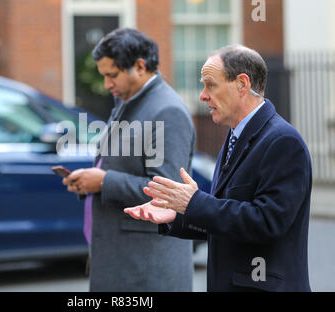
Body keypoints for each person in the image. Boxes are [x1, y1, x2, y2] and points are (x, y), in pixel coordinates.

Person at [125, 45, 312, 292]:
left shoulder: (283, 142)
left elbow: (268, 223)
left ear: (242, 85)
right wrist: (177, 215)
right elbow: (226, 219)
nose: (203, 95)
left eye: (210, 85)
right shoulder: (236, 135)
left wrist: (193, 203)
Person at [62, 28, 196, 291]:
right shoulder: (129, 100)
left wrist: (103, 182)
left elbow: (168, 193)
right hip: (125, 260)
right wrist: (90, 182)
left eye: (112, 75)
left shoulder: (167, 110)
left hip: (145, 268)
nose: (106, 85)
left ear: (139, 66)